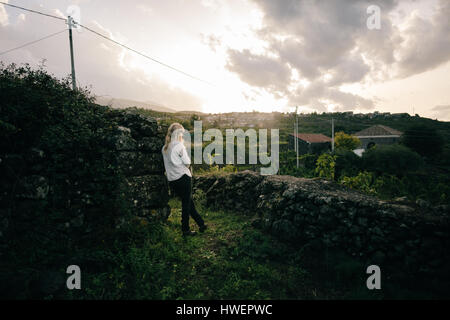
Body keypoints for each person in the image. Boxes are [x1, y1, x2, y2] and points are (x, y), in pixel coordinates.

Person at [162, 123, 207, 237]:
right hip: (183, 177)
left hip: (172, 180)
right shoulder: (179, 145)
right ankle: (185, 230)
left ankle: (201, 224)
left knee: (188, 202)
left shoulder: (164, 148)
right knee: (186, 204)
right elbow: (187, 163)